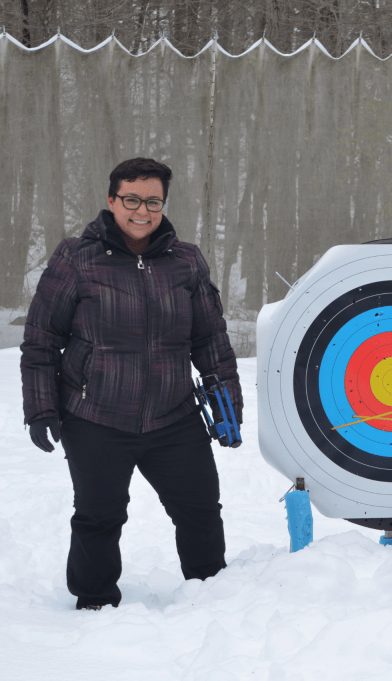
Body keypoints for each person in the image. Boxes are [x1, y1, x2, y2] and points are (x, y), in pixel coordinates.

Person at [21, 158, 243, 611]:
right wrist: (41, 408)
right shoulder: (76, 258)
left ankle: (211, 595)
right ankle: (94, 602)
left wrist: (227, 404)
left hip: (174, 415)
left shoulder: (186, 261)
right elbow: (42, 338)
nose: (142, 211)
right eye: (132, 200)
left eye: (153, 201)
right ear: (112, 200)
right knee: (99, 516)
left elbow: (209, 338)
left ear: (163, 204)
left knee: (200, 510)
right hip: (95, 416)